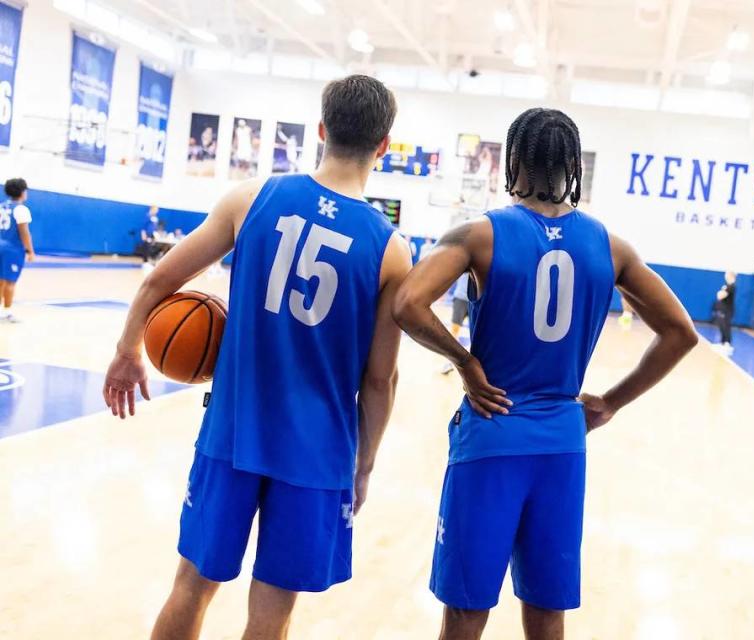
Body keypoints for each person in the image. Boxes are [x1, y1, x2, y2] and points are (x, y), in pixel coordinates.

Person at [102, 75, 410, 640]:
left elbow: (159, 281)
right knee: (273, 614)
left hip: (234, 433)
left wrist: (128, 349)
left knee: (191, 586)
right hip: (317, 453)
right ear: (384, 145)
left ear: (321, 130)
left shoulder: (252, 198)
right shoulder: (391, 249)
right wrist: (364, 464)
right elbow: (381, 379)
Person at [393, 108, 698, 640]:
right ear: (575, 166)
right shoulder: (611, 247)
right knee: (546, 611)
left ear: (513, 159)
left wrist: (464, 362)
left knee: (466, 610)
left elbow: (408, 303)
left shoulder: (479, 235)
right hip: (562, 444)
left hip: (491, 434)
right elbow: (680, 332)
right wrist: (610, 401)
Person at [0, 178, 35, 323]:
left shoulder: (2, 206)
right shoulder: (21, 209)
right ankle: (8, 312)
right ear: (22, 192)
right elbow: (24, 232)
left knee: (1, 280)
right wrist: (30, 250)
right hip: (12, 249)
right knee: (10, 282)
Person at [440, 273, 471, 375]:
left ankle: (475, 368)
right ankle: (448, 363)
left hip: (475, 301)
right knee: (454, 333)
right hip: (461, 299)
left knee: (476, 334)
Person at [712, 270, 736, 352]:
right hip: (724, 309)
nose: (725, 276)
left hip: (728, 310)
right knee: (722, 325)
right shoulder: (727, 286)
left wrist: (721, 292)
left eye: (727, 275)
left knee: (726, 326)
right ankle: (722, 342)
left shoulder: (731, 286)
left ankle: (727, 343)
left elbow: (720, 296)